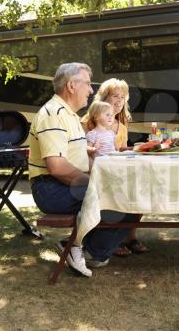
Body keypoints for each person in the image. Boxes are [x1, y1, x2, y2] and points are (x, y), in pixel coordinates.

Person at [28, 63, 137, 277]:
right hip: (51, 189)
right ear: (71, 85)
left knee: (130, 195)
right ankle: (83, 249)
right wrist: (95, 182)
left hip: (60, 184)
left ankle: (83, 248)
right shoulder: (54, 114)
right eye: (87, 84)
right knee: (126, 198)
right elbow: (57, 167)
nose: (90, 90)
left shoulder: (69, 115)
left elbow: (74, 151)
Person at [82, 78, 150, 256]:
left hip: (119, 170)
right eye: (115, 96)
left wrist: (136, 148)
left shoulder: (122, 123)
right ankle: (114, 238)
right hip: (97, 173)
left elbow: (119, 148)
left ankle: (129, 236)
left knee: (140, 187)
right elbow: (82, 150)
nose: (119, 100)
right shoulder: (89, 121)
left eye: (123, 97)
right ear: (104, 98)